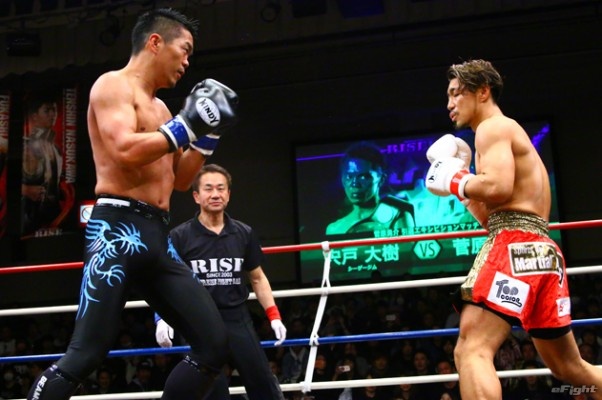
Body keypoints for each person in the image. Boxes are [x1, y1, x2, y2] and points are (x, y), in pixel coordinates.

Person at [26, 7, 239, 400]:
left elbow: (181, 180)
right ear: (155, 42)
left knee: (213, 345)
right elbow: (124, 149)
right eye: (185, 50)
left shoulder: (162, 110)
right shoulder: (111, 86)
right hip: (116, 231)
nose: (187, 62)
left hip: (157, 237)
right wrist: (187, 125)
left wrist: (208, 135)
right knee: (86, 354)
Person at [424, 58, 602, 399]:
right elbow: (493, 215)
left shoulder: (492, 128)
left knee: (472, 349)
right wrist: (462, 183)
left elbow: (498, 188)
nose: (449, 103)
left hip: (514, 246)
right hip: (543, 252)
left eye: (456, 93)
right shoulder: (503, 133)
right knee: (570, 367)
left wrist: (454, 178)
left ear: (483, 92)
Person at [154, 163, 286, 399]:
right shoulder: (180, 236)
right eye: (208, 189)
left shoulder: (243, 233)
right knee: (212, 390)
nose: (215, 194)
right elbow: (164, 281)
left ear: (228, 194)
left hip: (237, 317)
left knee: (262, 381)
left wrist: (274, 315)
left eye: (220, 188)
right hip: (198, 320)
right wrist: (161, 317)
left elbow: (257, 278)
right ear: (196, 196)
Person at [325, 141, 414, 236]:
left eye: (363, 177)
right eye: (349, 177)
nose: (355, 184)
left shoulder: (398, 216)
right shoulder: (334, 229)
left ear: (381, 179)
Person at [21, 90, 65, 236]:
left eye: (54, 110)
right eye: (47, 110)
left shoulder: (55, 148)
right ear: (34, 116)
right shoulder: (25, 146)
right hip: (28, 217)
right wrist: (26, 190)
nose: (52, 115)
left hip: (53, 216)